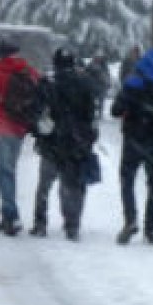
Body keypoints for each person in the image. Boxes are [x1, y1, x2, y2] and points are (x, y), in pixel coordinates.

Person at [110, 48, 153, 245]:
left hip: (133, 139)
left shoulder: (132, 84)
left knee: (127, 180)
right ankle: (151, 229)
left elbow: (116, 110)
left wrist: (130, 108)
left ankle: (130, 219)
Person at [30, 48, 98, 241]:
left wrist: (39, 131)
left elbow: (37, 111)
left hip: (51, 142)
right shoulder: (85, 84)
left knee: (44, 185)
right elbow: (91, 114)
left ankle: (40, 223)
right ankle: (72, 224)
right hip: (76, 143)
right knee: (73, 185)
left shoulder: (48, 84)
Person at [0, 40, 41, 236]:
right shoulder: (28, 71)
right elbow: (40, 92)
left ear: (1, 54)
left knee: (4, 172)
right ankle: (6, 215)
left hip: (2, 125)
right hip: (20, 127)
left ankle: (11, 215)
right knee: (10, 169)